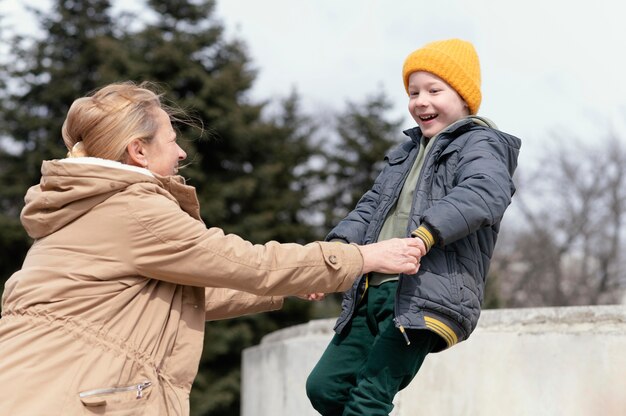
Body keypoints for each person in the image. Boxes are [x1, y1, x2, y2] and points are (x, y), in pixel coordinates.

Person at [0, 81, 425, 415]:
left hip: (37, 387)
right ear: (138, 151)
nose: (182, 151)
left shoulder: (88, 203)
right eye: (172, 140)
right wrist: (363, 258)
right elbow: (244, 262)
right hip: (70, 396)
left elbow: (188, 295)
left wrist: (287, 288)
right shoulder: (131, 207)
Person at [306, 38, 521, 415]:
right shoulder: (405, 153)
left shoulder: (482, 143)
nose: (421, 100)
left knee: (368, 397)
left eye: (434, 90)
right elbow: (370, 208)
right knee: (325, 387)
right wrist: (332, 257)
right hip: (372, 289)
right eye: (413, 92)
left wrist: (426, 235)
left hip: (425, 293)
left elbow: (483, 193)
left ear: (465, 98)